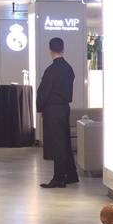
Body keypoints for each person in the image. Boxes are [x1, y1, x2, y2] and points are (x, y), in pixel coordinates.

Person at [36, 37, 78, 188]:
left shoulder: (51, 70)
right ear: (63, 49)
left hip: (52, 109)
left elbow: (43, 91)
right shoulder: (68, 68)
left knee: (57, 144)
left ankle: (59, 178)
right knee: (64, 142)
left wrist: (40, 107)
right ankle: (71, 174)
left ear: (50, 50)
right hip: (64, 108)